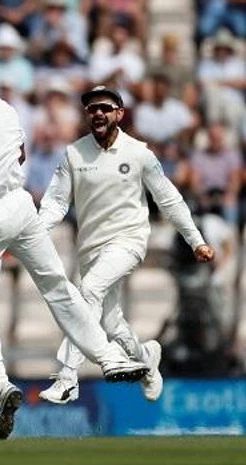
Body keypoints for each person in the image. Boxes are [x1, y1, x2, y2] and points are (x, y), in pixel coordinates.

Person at [0, 54, 149, 440]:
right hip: (20, 206)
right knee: (58, 286)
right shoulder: (6, 109)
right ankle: (110, 357)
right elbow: (21, 155)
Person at [37, 86, 215, 405]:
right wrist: (34, 234)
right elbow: (56, 203)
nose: (98, 113)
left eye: (105, 108)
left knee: (89, 290)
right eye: (92, 109)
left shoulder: (139, 153)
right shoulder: (73, 154)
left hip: (128, 240)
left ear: (119, 114)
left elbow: (168, 199)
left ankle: (67, 377)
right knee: (110, 322)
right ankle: (146, 359)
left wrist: (196, 240)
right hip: (90, 248)